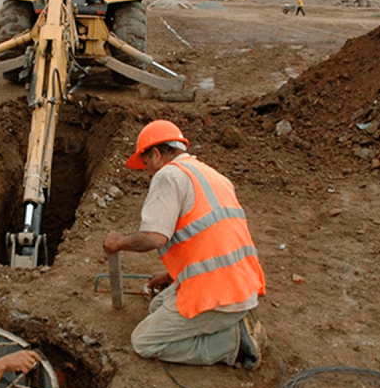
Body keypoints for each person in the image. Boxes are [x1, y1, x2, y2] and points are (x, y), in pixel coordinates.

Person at [102, 120, 267, 369]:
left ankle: (232, 343)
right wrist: (173, 274)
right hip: (241, 286)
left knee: (144, 341)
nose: (148, 172)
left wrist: (119, 243)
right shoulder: (212, 175)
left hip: (220, 296)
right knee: (157, 305)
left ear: (156, 154)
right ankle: (232, 322)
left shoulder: (168, 175)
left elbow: (153, 237)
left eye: (146, 163)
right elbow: (213, 239)